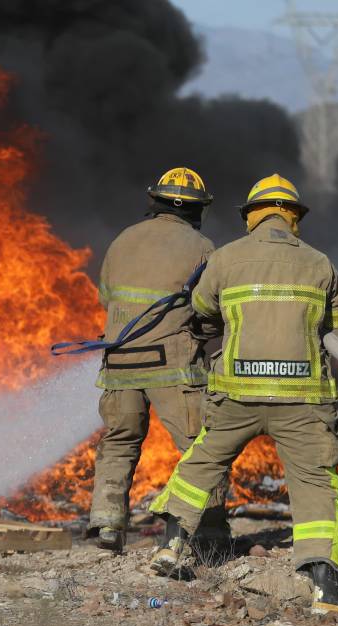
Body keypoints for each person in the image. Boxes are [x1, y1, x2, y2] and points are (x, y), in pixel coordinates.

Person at [148, 173, 338, 614]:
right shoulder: (320, 263)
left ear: (252, 216)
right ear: (293, 217)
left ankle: (171, 545)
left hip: (237, 395)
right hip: (302, 401)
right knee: (316, 481)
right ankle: (326, 588)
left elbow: (202, 312)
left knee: (204, 461)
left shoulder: (225, 258)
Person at [88, 167, 227, 554]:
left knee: (119, 441)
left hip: (118, 362)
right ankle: (210, 531)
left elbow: (105, 298)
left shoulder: (122, 240)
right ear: (197, 209)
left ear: (156, 202)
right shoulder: (203, 246)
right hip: (173, 366)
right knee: (202, 447)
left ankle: (106, 523)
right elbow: (210, 306)